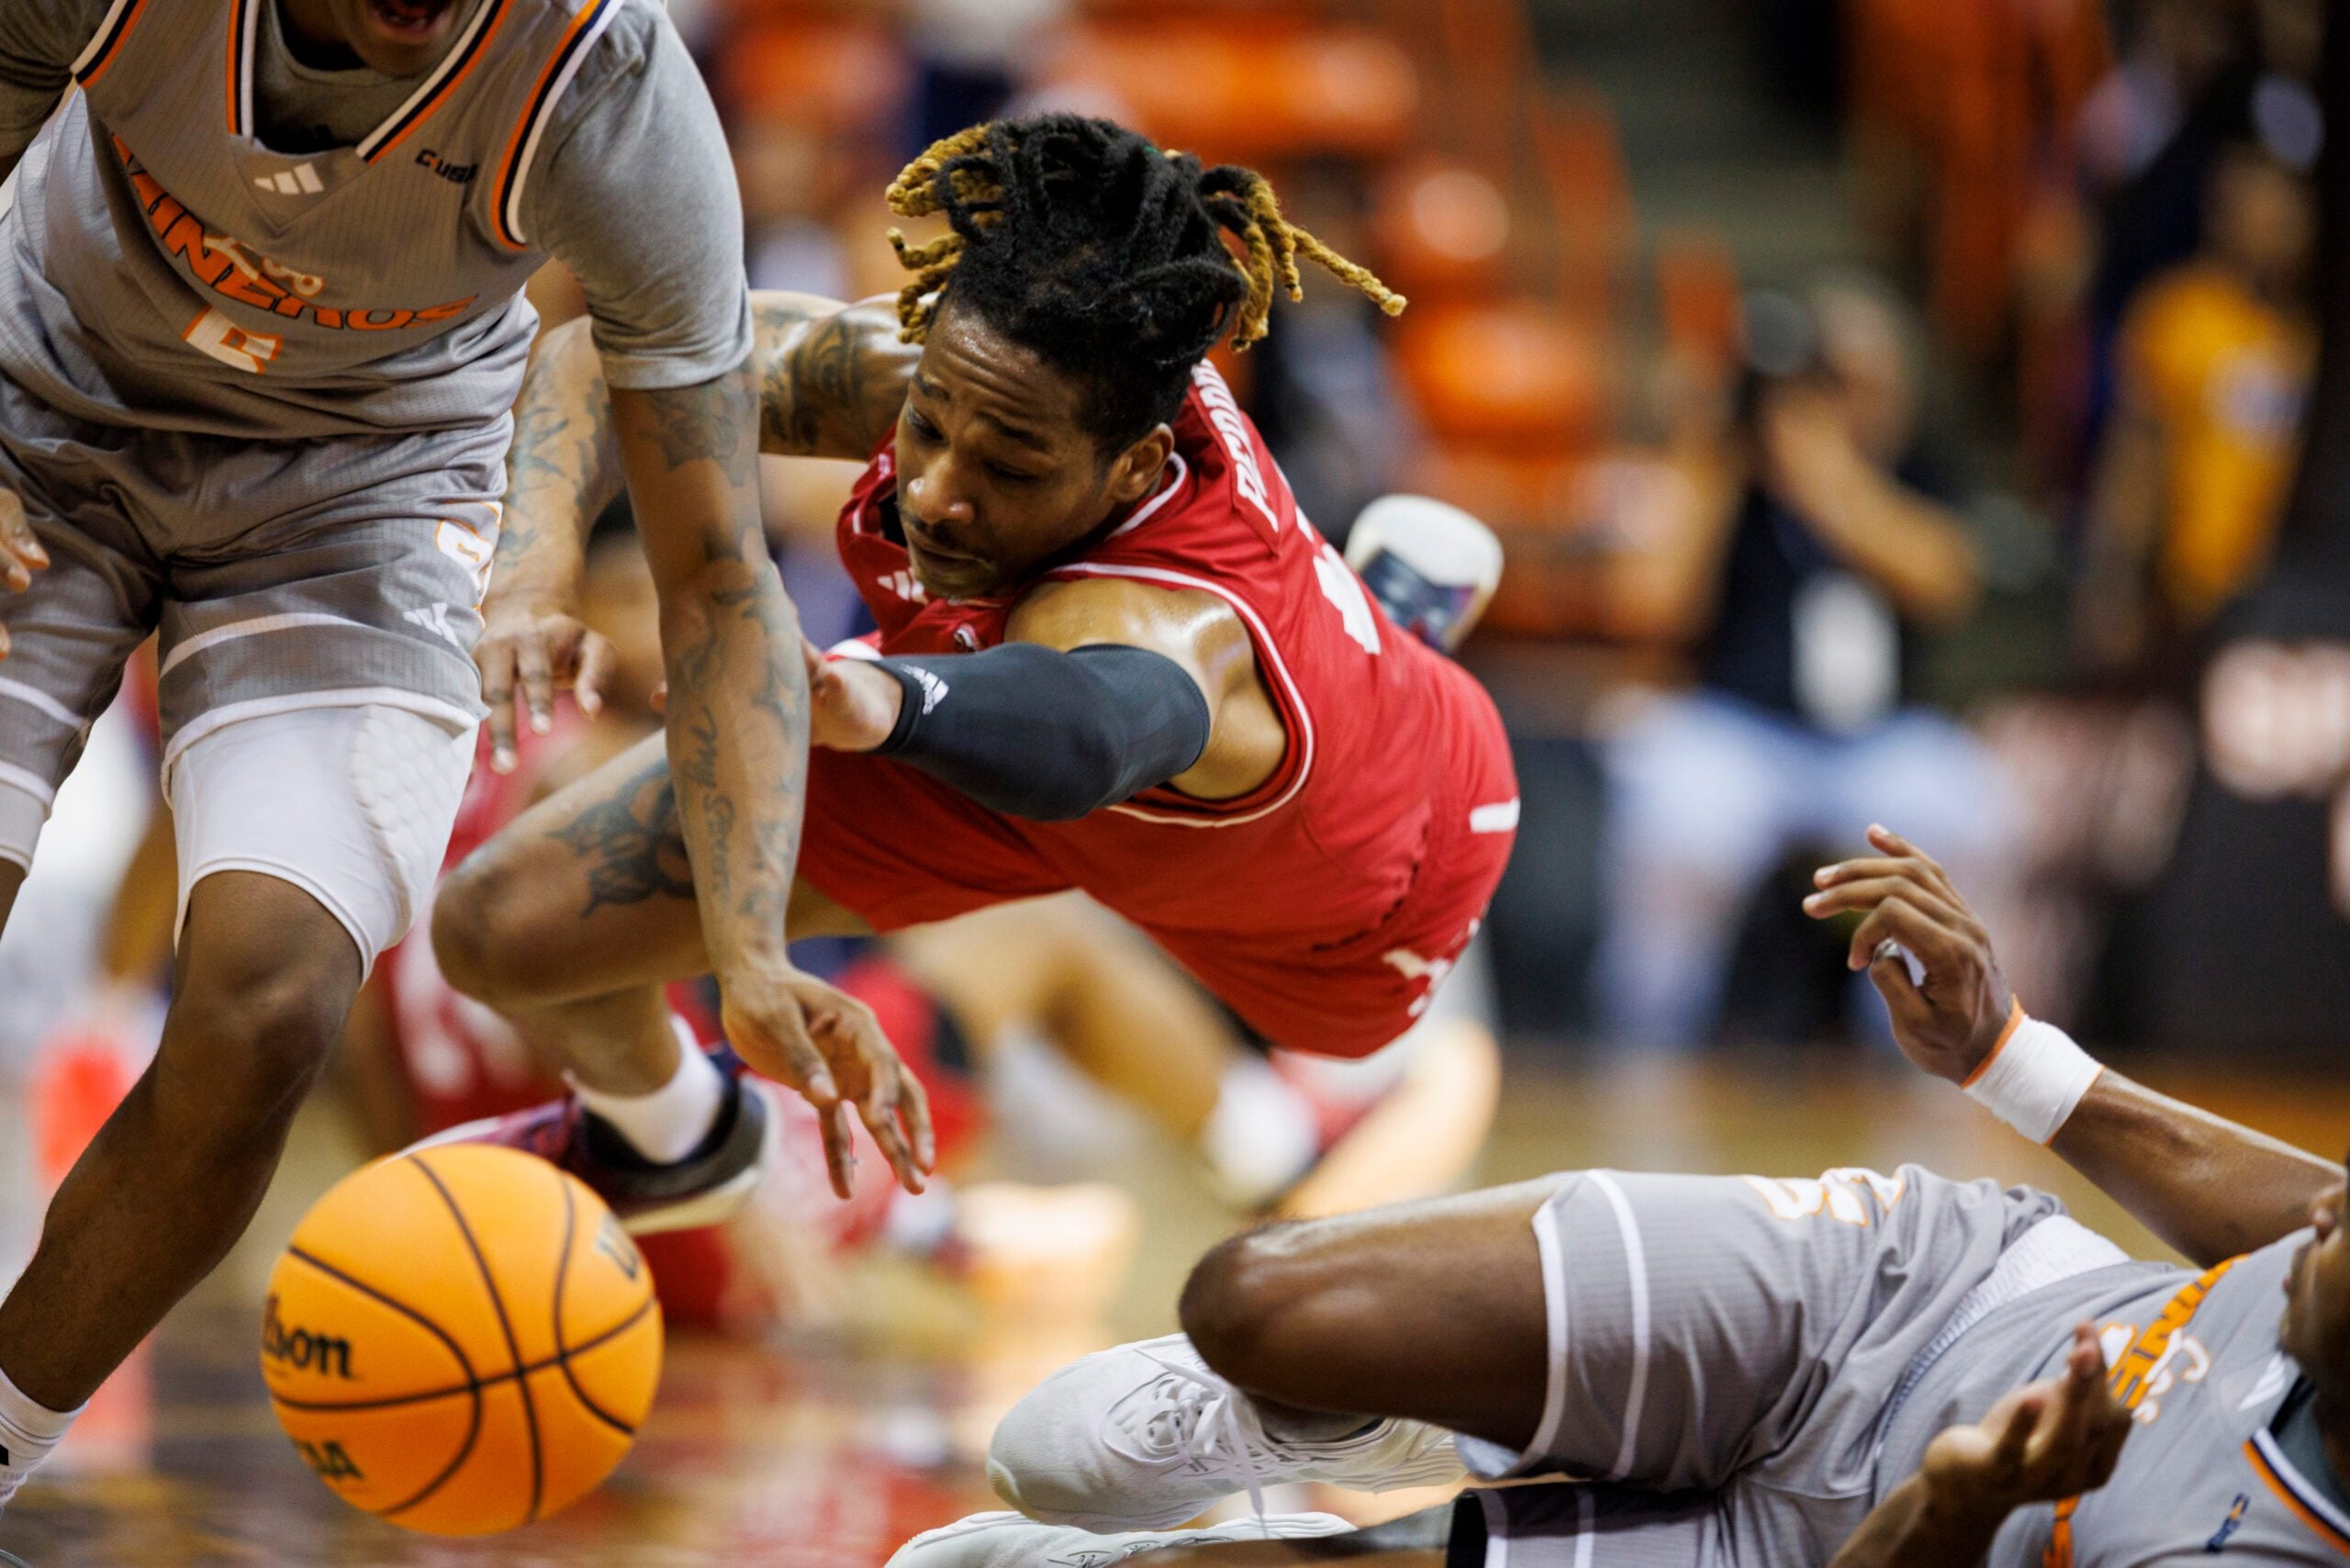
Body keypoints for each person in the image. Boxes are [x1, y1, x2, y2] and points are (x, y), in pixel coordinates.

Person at [0, 0, 912, 1516]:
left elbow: (720, 575)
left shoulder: (608, 96)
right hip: (34, 403)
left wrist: (746, 945)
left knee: (273, 990)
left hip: (364, 487)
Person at [425, 114, 1520, 1230]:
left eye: (1005, 465)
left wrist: (883, 698)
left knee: (1285, 954)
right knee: (495, 926)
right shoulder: (963, 385)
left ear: (1132, 467)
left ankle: (1388, 638)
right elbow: (602, 358)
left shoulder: (1172, 625)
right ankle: (677, 1140)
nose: (934, 490)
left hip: (1344, 899)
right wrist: (527, 573)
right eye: (927, 424)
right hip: (980, 735)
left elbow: (1088, 729)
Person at [897, 823, 2346, 1567]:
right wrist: (2006, 1057)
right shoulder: (2332, 1246)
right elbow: (2302, 1208)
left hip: (1834, 1555)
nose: (2327, 1215)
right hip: (1920, 1288)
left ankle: (1455, 1483)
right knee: (1254, 1302)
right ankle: (1429, 1413)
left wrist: (1963, 1513)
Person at [1596, 278, 2013, 1047]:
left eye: (1860, 384)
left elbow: (1945, 583)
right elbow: (1648, 602)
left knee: (1969, 811)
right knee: (1679, 820)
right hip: (1739, 733)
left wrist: (1828, 478)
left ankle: (1938, 1052)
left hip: (1880, 744)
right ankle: (1642, 1051)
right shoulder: (1729, 472)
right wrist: (1711, 448)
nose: (1842, 403)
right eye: (1827, 383)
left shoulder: (1914, 468)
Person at [2078, 140, 2315, 685]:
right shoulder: (2178, 316)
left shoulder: (2312, 337)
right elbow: (2135, 459)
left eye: (2287, 209)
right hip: (2194, 598)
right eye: (2256, 205)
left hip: (2296, 600)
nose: (2275, 224)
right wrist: (2114, 585)